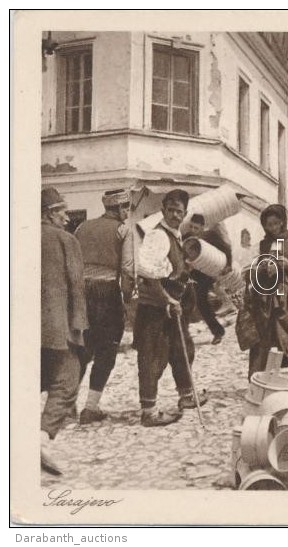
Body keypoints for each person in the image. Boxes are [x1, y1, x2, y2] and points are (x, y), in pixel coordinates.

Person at [134, 189, 206, 427]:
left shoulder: (176, 236)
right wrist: (167, 300)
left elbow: (170, 269)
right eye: (171, 210)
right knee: (153, 357)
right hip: (154, 307)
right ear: (163, 210)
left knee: (182, 348)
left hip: (172, 307)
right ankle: (149, 411)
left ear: (185, 214)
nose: (175, 215)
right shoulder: (158, 236)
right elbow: (147, 273)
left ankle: (186, 396)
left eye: (180, 211)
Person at [41, 187, 88, 474]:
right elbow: (76, 286)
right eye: (62, 212)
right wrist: (79, 329)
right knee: (68, 379)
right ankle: (41, 439)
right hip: (56, 327)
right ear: (49, 213)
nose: (67, 218)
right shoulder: (65, 240)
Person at [74, 188, 130, 425]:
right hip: (106, 293)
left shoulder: (82, 227)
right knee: (106, 351)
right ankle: (90, 408)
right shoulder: (123, 230)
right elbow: (127, 268)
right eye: (126, 207)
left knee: (81, 351)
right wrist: (126, 301)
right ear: (118, 208)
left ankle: (66, 405)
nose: (128, 211)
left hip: (80, 292)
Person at [245, 204, 288, 378]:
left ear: (282, 222)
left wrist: (287, 266)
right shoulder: (261, 246)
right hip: (264, 303)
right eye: (269, 225)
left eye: (276, 223)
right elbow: (248, 271)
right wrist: (261, 269)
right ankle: (264, 378)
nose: (273, 228)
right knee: (264, 342)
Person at [185, 214, 232, 345]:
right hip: (193, 274)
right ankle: (183, 333)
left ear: (202, 228)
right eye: (191, 227)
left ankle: (217, 332)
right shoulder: (187, 238)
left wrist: (228, 265)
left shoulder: (211, 236)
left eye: (196, 228)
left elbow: (227, 249)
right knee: (189, 300)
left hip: (207, 273)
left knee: (201, 301)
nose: (193, 230)